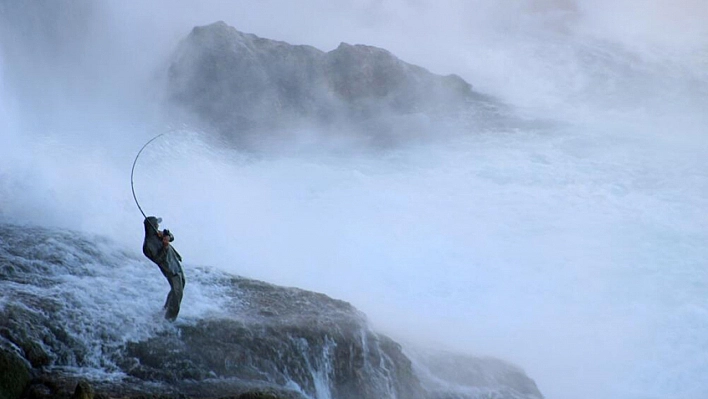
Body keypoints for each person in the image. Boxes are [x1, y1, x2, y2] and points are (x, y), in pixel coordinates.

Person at [142, 216, 186, 321]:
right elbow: (159, 259)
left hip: (175, 264)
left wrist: (167, 236)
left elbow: (172, 238)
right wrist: (165, 246)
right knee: (177, 294)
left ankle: (165, 309)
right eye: (156, 224)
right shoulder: (147, 245)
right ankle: (170, 319)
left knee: (179, 288)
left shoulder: (158, 235)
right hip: (170, 270)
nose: (158, 226)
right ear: (151, 226)